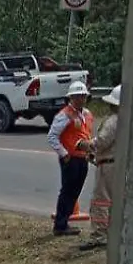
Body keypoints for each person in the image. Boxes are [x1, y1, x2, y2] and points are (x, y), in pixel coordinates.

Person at [47, 81, 95, 236]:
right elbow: (52, 136)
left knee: (75, 191)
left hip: (82, 158)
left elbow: (87, 135)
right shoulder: (65, 115)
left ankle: (65, 221)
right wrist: (64, 154)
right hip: (70, 159)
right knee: (67, 191)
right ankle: (60, 225)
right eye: (78, 97)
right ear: (71, 98)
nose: (81, 99)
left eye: (83, 96)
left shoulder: (87, 114)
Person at [82, 85, 121, 251]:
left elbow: (102, 142)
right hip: (118, 164)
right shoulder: (130, 120)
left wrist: (87, 145)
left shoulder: (113, 121)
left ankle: (99, 235)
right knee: (116, 201)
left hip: (108, 166)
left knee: (101, 202)